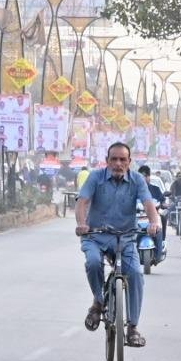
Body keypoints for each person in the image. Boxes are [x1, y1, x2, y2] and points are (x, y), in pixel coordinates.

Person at [75, 142, 160, 348]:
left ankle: (132, 328)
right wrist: (82, 224)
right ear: (107, 161)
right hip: (95, 236)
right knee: (94, 262)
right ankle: (98, 302)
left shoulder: (138, 180)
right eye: (114, 159)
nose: (118, 163)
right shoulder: (95, 177)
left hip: (125, 238)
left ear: (129, 162)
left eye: (123, 159)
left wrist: (154, 222)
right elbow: (82, 202)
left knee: (136, 274)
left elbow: (149, 204)